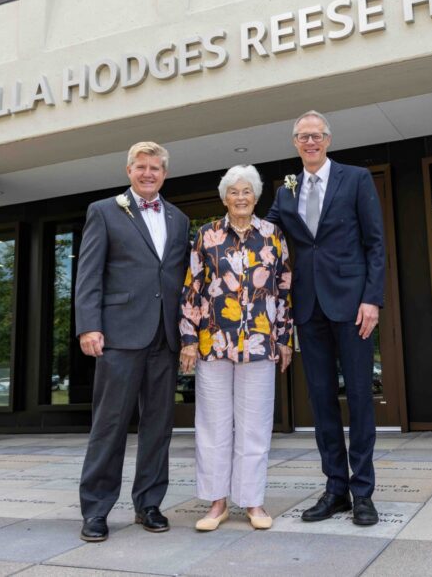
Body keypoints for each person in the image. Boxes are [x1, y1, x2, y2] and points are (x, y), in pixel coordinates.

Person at [267, 110, 385, 526]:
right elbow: (265, 234)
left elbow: (375, 243)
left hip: (353, 306)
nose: (310, 142)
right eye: (303, 137)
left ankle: (363, 492)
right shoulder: (286, 189)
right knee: (320, 401)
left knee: (358, 398)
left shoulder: (355, 179)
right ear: (295, 143)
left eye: (316, 135)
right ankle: (335, 488)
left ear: (328, 140)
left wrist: (372, 299)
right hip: (309, 308)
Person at [75, 142, 190, 542]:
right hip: (120, 334)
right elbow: (89, 274)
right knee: (110, 424)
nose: (148, 173)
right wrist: (88, 325)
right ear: (128, 170)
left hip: (165, 335)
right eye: (141, 167)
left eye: (155, 168)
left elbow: (176, 278)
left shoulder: (179, 218)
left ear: (164, 173)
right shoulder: (105, 211)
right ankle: (95, 510)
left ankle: (149, 504)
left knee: (158, 426)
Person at [179, 165, 294, 531]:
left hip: (260, 343)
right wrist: (188, 340)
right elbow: (191, 290)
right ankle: (216, 503)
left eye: (246, 191)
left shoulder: (273, 235)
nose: (240, 197)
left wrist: (286, 338)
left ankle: (253, 502)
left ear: (256, 197)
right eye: (233, 191)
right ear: (224, 197)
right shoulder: (207, 236)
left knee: (255, 426)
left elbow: (284, 290)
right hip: (213, 342)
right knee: (213, 426)